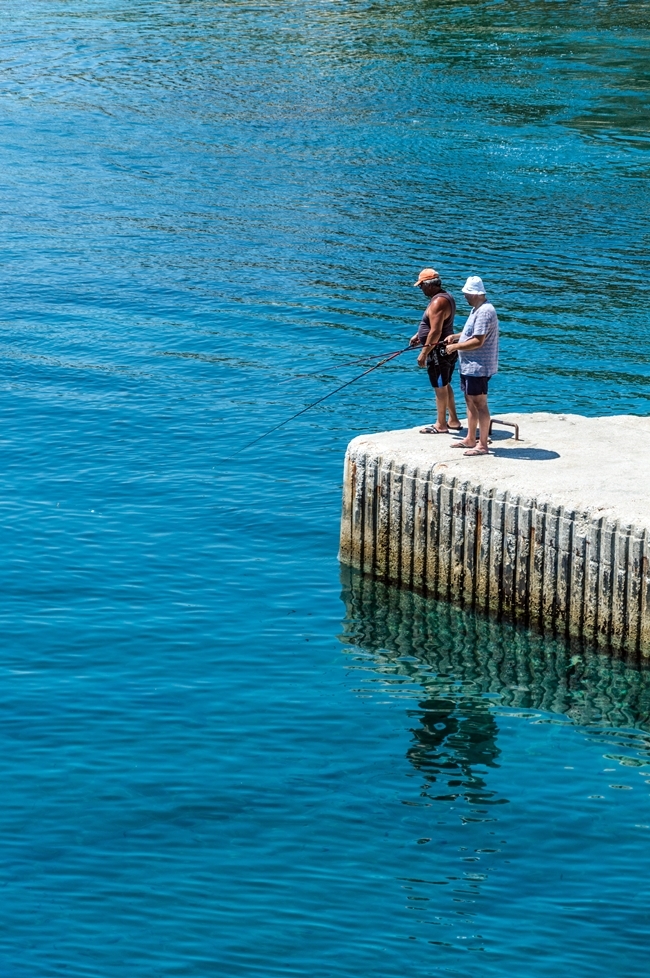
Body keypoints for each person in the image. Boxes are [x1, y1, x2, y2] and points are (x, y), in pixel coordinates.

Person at [444, 275, 499, 457]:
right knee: (469, 401)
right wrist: (456, 336)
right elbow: (471, 333)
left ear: (475, 294)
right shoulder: (476, 309)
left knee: (480, 404)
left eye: (467, 293)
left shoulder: (484, 312)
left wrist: (455, 347)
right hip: (468, 366)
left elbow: (478, 340)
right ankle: (470, 438)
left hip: (478, 366)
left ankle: (482, 445)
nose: (465, 297)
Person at [410, 267, 461, 435]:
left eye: (421, 286)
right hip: (443, 350)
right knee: (445, 384)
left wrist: (424, 353)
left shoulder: (438, 301)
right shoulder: (445, 297)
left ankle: (441, 424)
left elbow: (436, 331)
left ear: (429, 284)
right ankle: (453, 420)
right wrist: (419, 334)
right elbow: (433, 325)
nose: (420, 289)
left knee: (439, 387)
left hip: (437, 352)